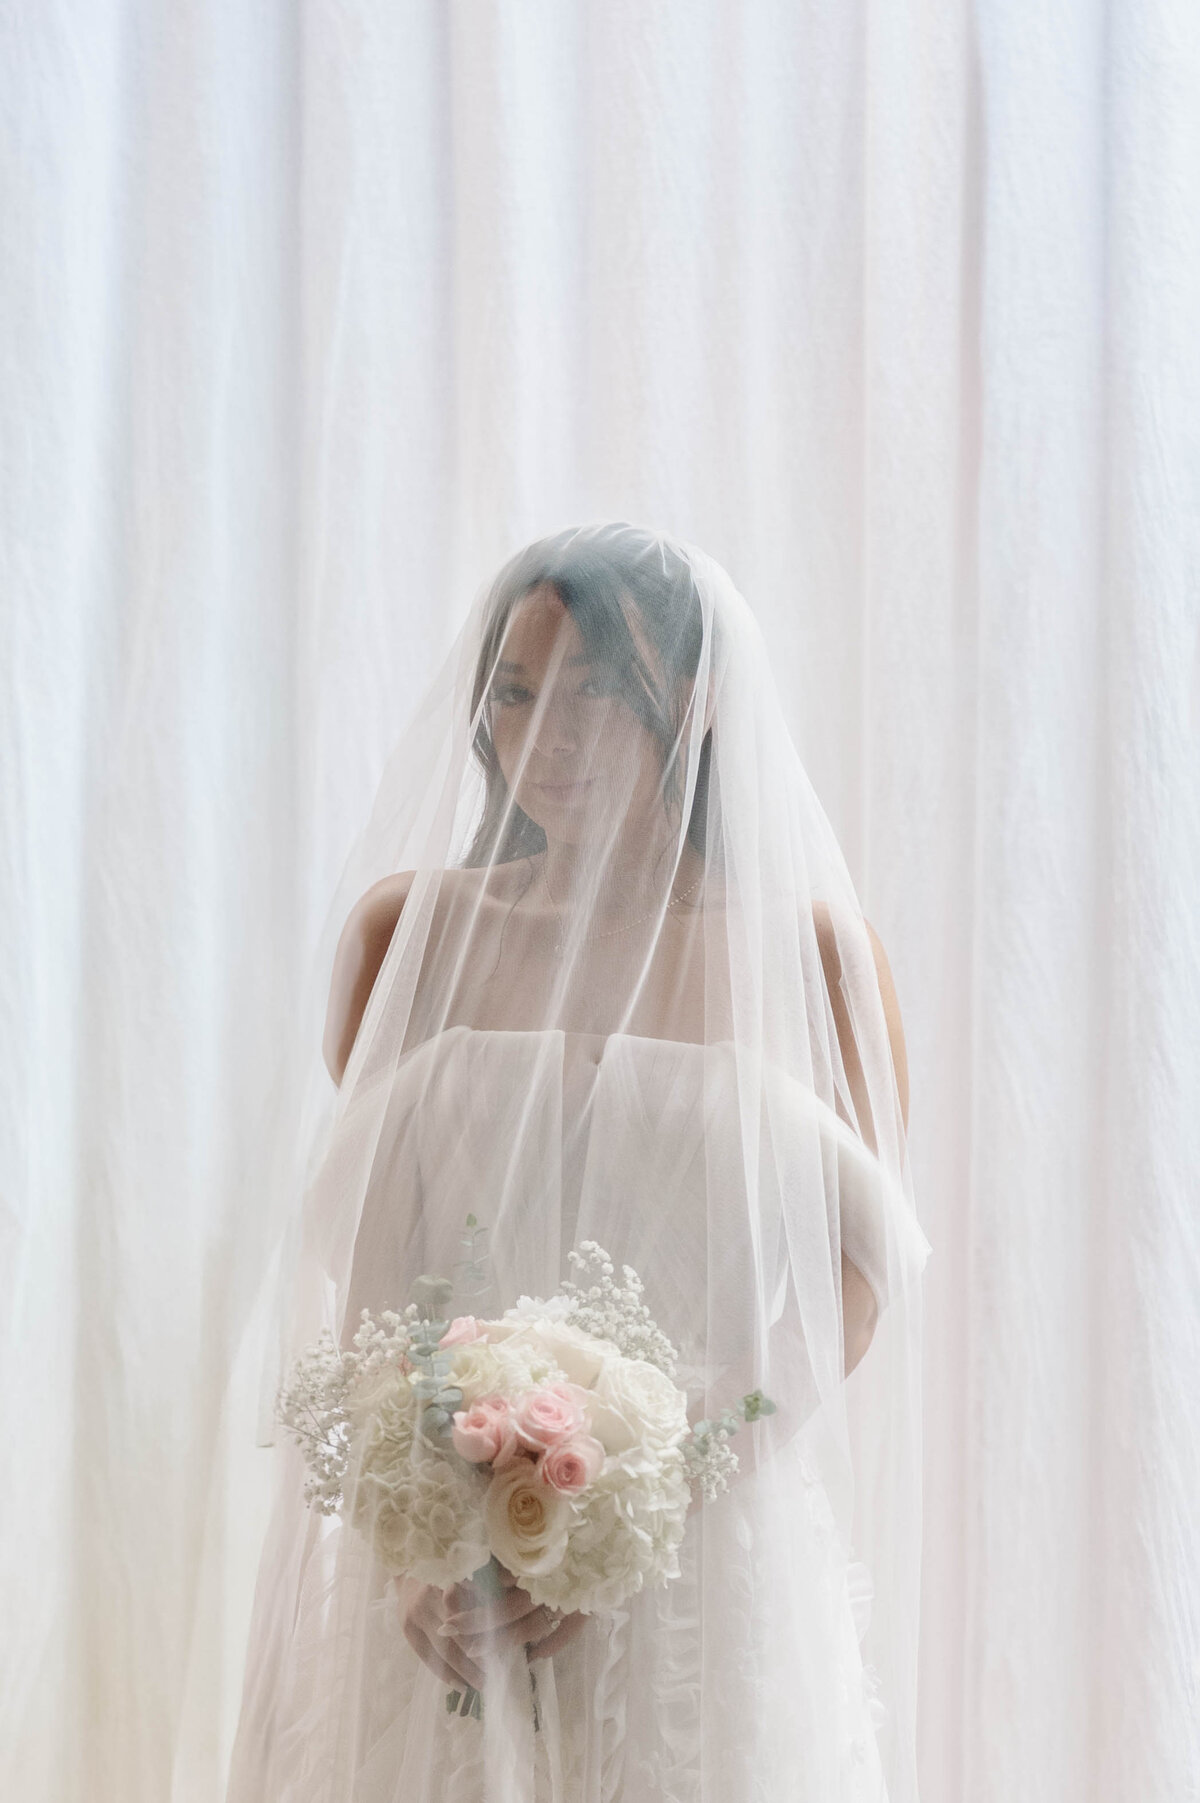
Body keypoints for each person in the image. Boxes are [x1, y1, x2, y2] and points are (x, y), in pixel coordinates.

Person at [226, 522, 932, 1802]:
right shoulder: (409, 932)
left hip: (712, 1568)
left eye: (599, 692)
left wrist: (655, 1482)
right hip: (448, 1574)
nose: (547, 732)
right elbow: (382, 1266)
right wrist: (420, 1549)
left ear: (700, 701)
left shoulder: (809, 953)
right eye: (515, 691)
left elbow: (864, 1270)